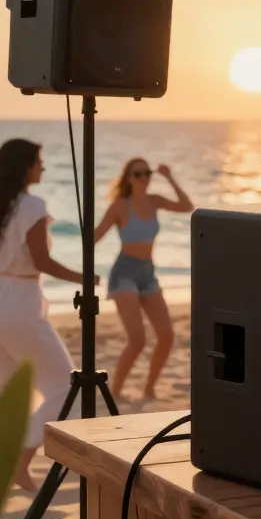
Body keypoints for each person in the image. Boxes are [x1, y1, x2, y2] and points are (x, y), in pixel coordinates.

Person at [0, 140, 92, 490]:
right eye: (38, 161)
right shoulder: (32, 205)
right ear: (25, 167)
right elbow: (41, 261)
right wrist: (84, 277)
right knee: (65, 387)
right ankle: (20, 460)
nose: (42, 167)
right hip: (19, 303)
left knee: (8, 389)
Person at [92, 159, 193, 401]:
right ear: (128, 178)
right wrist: (84, 273)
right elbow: (93, 238)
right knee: (137, 339)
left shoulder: (154, 201)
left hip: (147, 273)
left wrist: (169, 177)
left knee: (167, 335)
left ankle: (149, 388)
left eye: (147, 173)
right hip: (124, 273)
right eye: (138, 174)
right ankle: (115, 392)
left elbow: (186, 206)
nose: (144, 178)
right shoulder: (120, 206)